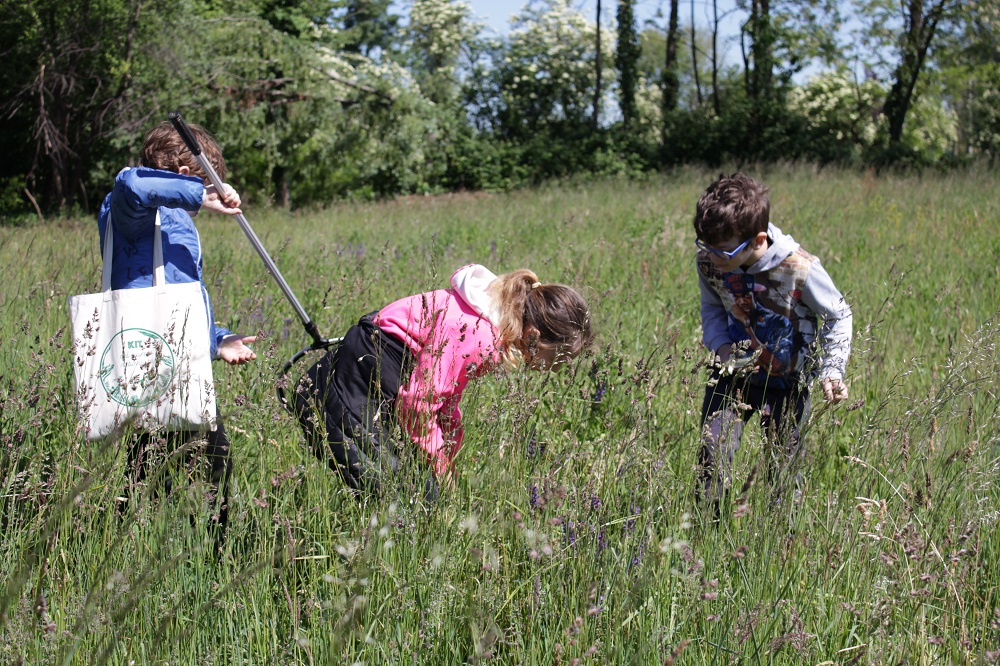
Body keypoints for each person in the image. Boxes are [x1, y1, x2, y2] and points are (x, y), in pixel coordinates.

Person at [293, 264, 593, 498]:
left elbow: (443, 395)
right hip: (362, 377)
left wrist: (447, 452)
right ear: (534, 335)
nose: (551, 370)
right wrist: (440, 465)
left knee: (417, 491)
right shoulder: (479, 335)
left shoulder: (490, 318)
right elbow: (417, 404)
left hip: (382, 375)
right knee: (404, 498)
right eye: (555, 360)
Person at [99, 121, 256, 541]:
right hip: (144, 357)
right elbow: (130, 182)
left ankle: (178, 548)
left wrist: (218, 339)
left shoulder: (180, 225)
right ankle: (194, 551)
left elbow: (177, 300)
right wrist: (198, 196)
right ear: (186, 176)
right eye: (204, 182)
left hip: (173, 357)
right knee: (174, 461)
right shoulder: (134, 213)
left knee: (180, 462)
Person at [692, 173, 852, 511]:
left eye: (722, 250)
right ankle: (702, 541)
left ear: (757, 239)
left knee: (783, 471)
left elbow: (838, 314)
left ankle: (782, 543)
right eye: (704, 246)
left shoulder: (799, 267)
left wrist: (832, 371)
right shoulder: (711, 260)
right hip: (729, 376)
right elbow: (712, 308)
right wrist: (721, 347)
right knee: (711, 458)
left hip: (787, 383)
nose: (711, 257)